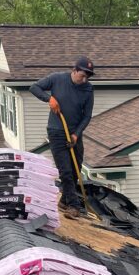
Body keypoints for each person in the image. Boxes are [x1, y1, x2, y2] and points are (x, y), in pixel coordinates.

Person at [30, 56, 95, 217]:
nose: (85, 79)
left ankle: (65, 201)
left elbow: (87, 116)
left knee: (75, 169)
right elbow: (34, 87)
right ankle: (74, 206)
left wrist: (76, 135)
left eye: (88, 76)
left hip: (74, 133)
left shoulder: (88, 89)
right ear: (75, 70)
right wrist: (49, 99)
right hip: (57, 131)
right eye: (83, 75)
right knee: (65, 170)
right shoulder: (57, 79)